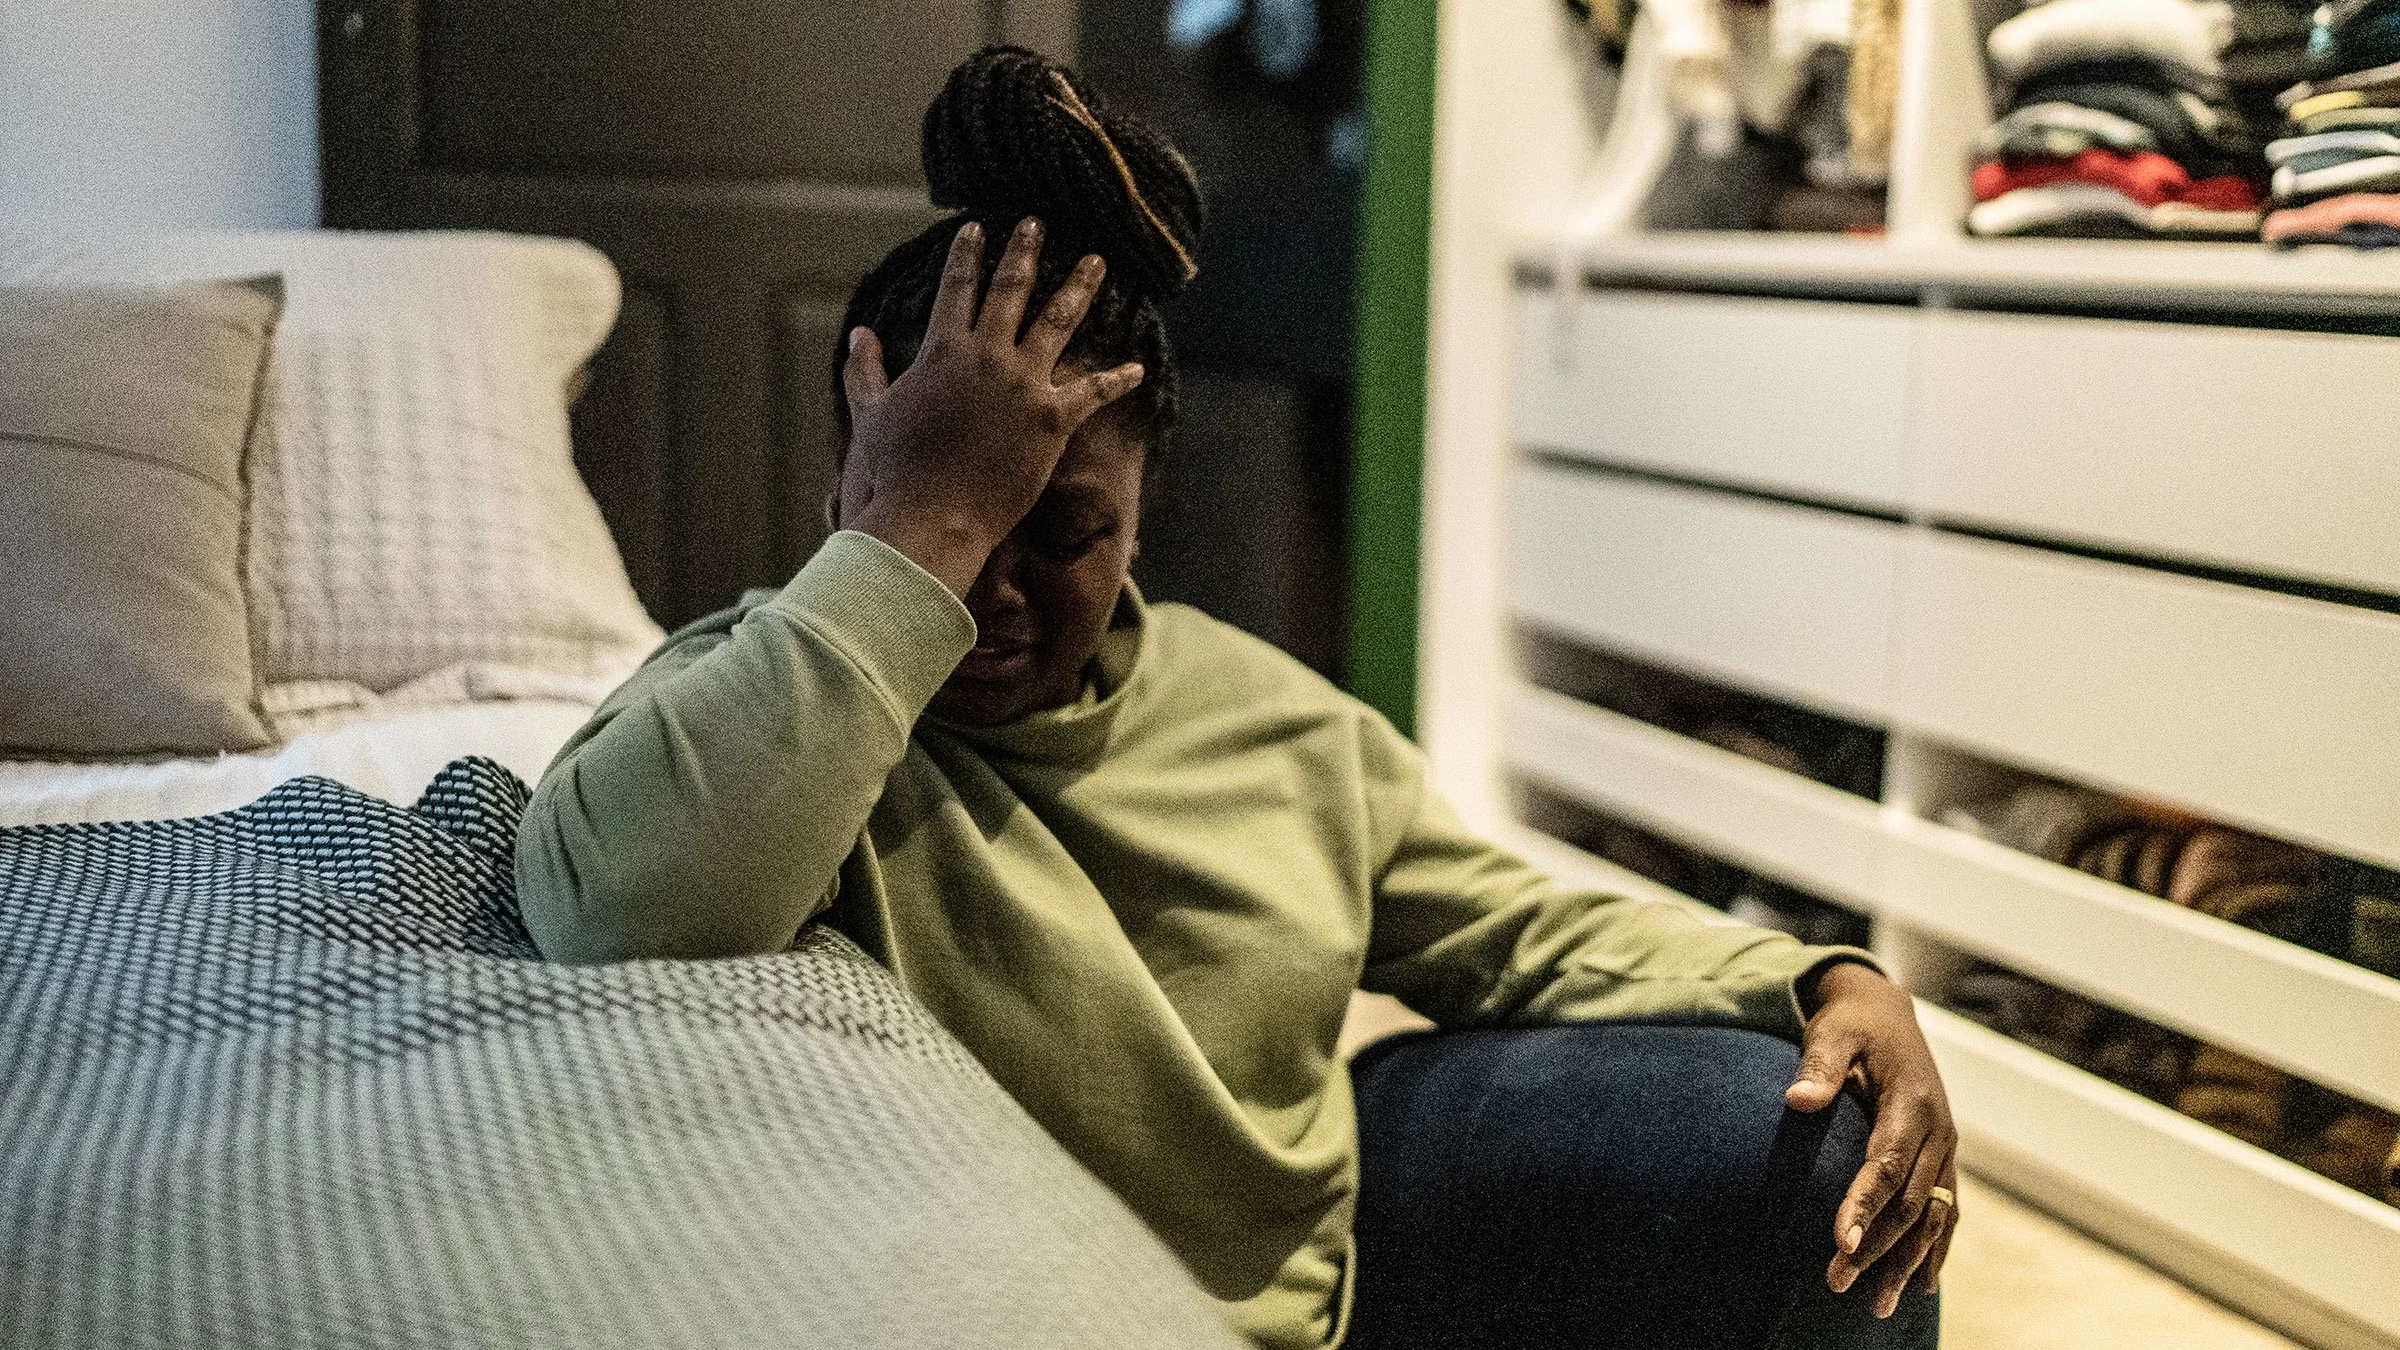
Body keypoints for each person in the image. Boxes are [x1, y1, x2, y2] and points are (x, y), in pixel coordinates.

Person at [515, 45, 1954, 1350]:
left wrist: (1827, 976)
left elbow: (1528, 933)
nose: (996, 592)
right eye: (951, 513)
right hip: (977, 1298)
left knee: (1818, 1145)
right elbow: (623, 916)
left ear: (1145, 509)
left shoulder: (1283, 728)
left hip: (1308, 1283)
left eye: (1061, 530)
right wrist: (907, 549)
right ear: (852, 475)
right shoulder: (757, 703)